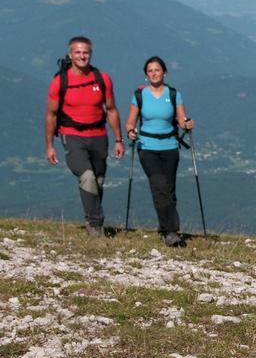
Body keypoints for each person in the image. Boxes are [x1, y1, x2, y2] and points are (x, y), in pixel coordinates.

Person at [44, 36, 125, 237]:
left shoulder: (102, 79)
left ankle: (91, 218)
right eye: (78, 52)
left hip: (98, 136)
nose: (82, 56)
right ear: (70, 55)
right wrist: (49, 146)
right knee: (87, 178)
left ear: (91, 54)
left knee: (98, 181)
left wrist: (118, 139)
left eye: (85, 52)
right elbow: (51, 115)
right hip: (72, 136)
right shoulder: (59, 82)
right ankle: (96, 226)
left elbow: (112, 110)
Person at [125, 56, 194, 247]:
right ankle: (170, 232)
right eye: (150, 70)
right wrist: (131, 132)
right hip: (147, 147)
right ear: (146, 75)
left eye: (157, 70)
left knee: (169, 189)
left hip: (170, 147)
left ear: (164, 72)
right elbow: (130, 121)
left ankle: (168, 227)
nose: (154, 73)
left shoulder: (173, 94)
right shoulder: (139, 95)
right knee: (159, 186)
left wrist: (187, 124)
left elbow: (181, 119)